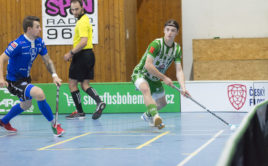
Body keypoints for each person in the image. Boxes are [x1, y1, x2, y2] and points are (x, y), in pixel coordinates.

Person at [0, 16, 64, 136]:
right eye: (37, 27)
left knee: (26, 104)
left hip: (26, 79)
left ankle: (4, 121)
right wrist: (1, 78)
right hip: (14, 81)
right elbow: (2, 58)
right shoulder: (17, 44)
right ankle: (54, 124)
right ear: (29, 29)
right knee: (39, 93)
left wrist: (54, 75)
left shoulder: (39, 42)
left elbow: (47, 61)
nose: (40, 29)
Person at [131, 19, 190, 129]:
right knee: (145, 89)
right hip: (141, 73)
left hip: (155, 78)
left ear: (177, 33)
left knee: (162, 103)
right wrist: (164, 78)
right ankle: (156, 117)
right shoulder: (156, 44)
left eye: (173, 30)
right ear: (164, 30)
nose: (169, 32)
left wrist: (183, 88)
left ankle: (148, 115)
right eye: (167, 30)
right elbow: (148, 66)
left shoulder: (177, 49)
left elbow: (179, 70)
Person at [64, 0, 106, 120]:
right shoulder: (86, 19)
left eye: (76, 9)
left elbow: (83, 42)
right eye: (72, 9)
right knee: (84, 84)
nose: (74, 12)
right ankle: (99, 102)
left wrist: (71, 53)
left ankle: (80, 112)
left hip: (82, 55)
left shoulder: (82, 22)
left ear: (82, 7)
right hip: (89, 55)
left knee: (72, 84)